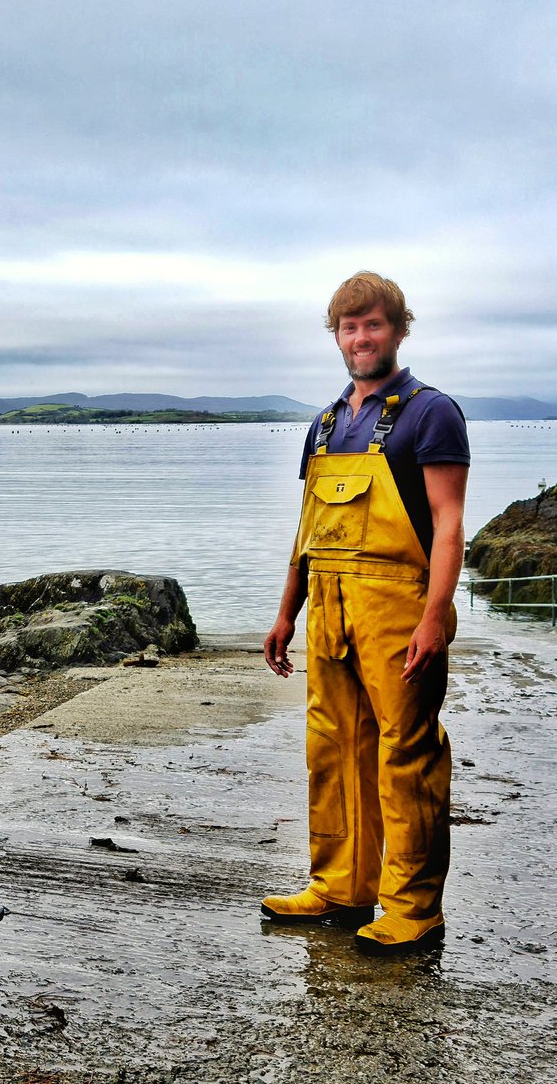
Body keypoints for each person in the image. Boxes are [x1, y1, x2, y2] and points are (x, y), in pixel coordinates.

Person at [262, 271, 470, 956]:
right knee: (333, 748)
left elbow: (448, 524)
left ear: (399, 330)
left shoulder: (431, 413)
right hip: (329, 606)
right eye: (349, 327)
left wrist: (435, 616)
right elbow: (308, 530)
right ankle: (340, 886)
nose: (360, 338)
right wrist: (286, 613)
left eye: (373, 324)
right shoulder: (325, 424)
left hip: (398, 607)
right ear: (337, 336)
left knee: (407, 753)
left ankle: (412, 909)